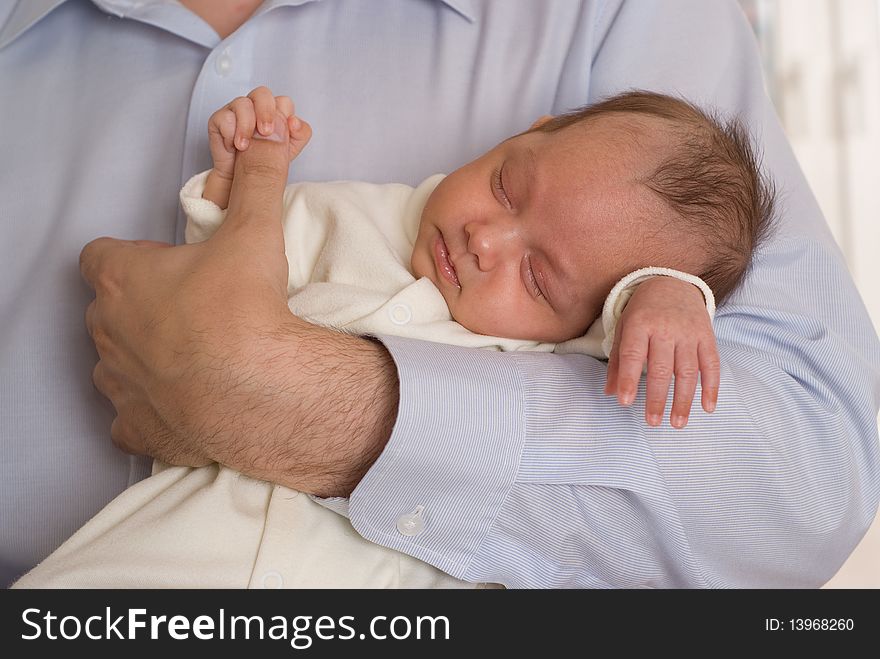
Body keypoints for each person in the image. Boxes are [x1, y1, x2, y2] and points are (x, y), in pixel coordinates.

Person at [2, 0, 878, 589]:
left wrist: (664, 294)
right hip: (163, 559)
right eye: (503, 184)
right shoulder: (380, 216)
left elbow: (802, 467)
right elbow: (226, 263)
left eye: (539, 277)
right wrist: (236, 182)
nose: (483, 239)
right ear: (525, 133)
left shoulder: (578, 321)